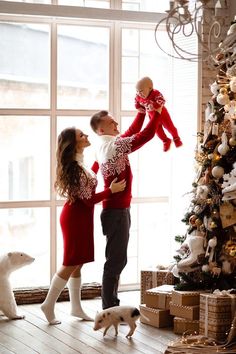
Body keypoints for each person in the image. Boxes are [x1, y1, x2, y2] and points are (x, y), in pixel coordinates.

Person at [41, 127, 126, 325]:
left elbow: (87, 184)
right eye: (82, 135)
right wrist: (110, 191)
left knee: (78, 262)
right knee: (70, 262)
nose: (87, 136)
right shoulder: (75, 167)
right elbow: (88, 200)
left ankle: (75, 308)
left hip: (80, 218)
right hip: (75, 218)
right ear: (74, 143)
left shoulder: (80, 164)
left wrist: (101, 161)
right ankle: (48, 304)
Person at [90, 108, 162, 309]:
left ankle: (111, 304)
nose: (116, 124)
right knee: (116, 262)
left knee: (115, 260)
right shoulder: (114, 146)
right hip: (117, 212)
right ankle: (110, 308)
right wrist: (156, 113)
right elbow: (145, 135)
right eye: (111, 122)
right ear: (101, 129)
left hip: (115, 211)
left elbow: (131, 132)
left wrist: (141, 112)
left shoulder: (103, 146)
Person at [135, 76, 183, 152]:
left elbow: (162, 100)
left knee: (170, 127)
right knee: (157, 131)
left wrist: (154, 105)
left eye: (141, 91)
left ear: (150, 88)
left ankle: (176, 138)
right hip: (152, 116)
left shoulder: (155, 93)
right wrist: (137, 106)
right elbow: (136, 100)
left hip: (163, 114)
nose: (139, 93)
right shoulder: (138, 96)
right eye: (137, 91)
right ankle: (166, 140)